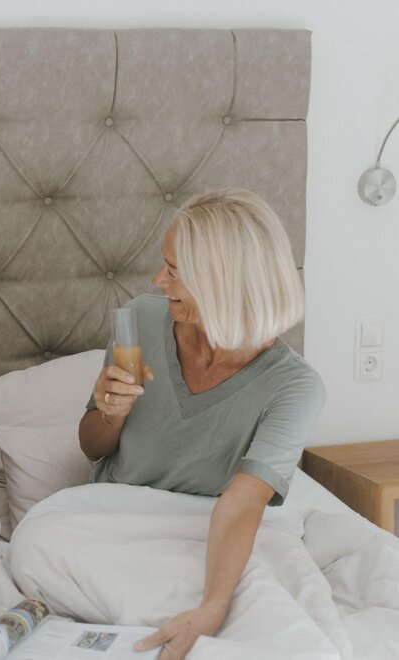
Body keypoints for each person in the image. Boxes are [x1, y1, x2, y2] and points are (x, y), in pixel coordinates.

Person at [78, 189, 325, 660]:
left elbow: (243, 503)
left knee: (275, 604)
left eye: (175, 270)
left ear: (224, 281)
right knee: (33, 543)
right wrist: (111, 412)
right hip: (115, 517)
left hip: (210, 528)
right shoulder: (140, 320)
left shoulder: (295, 387)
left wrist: (213, 606)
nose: (157, 279)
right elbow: (92, 447)